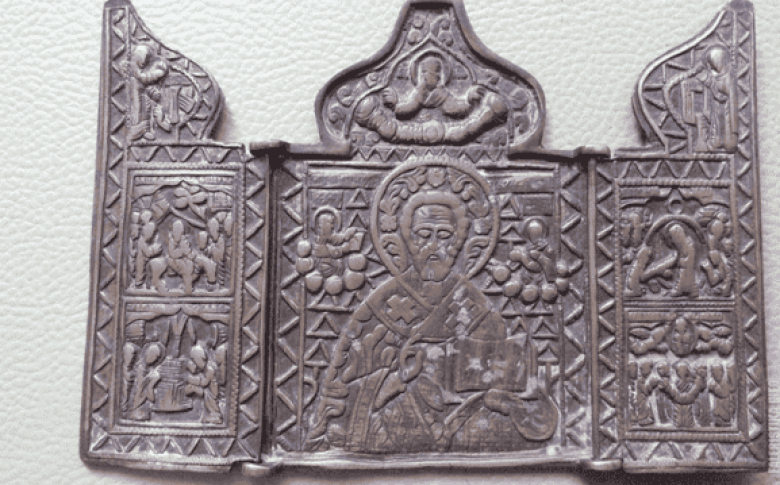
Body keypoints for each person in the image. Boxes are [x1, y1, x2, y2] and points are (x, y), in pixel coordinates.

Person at [305, 189, 557, 453]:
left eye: (444, 235)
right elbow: (338, 396)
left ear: (459, 243)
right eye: (424, 234)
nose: (434, 245)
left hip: (466, 431)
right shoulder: (381, 304)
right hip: (390, 431)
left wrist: (502, 393)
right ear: (408, 240)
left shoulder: (478, 307)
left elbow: (508, 384)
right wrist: (395, 381)